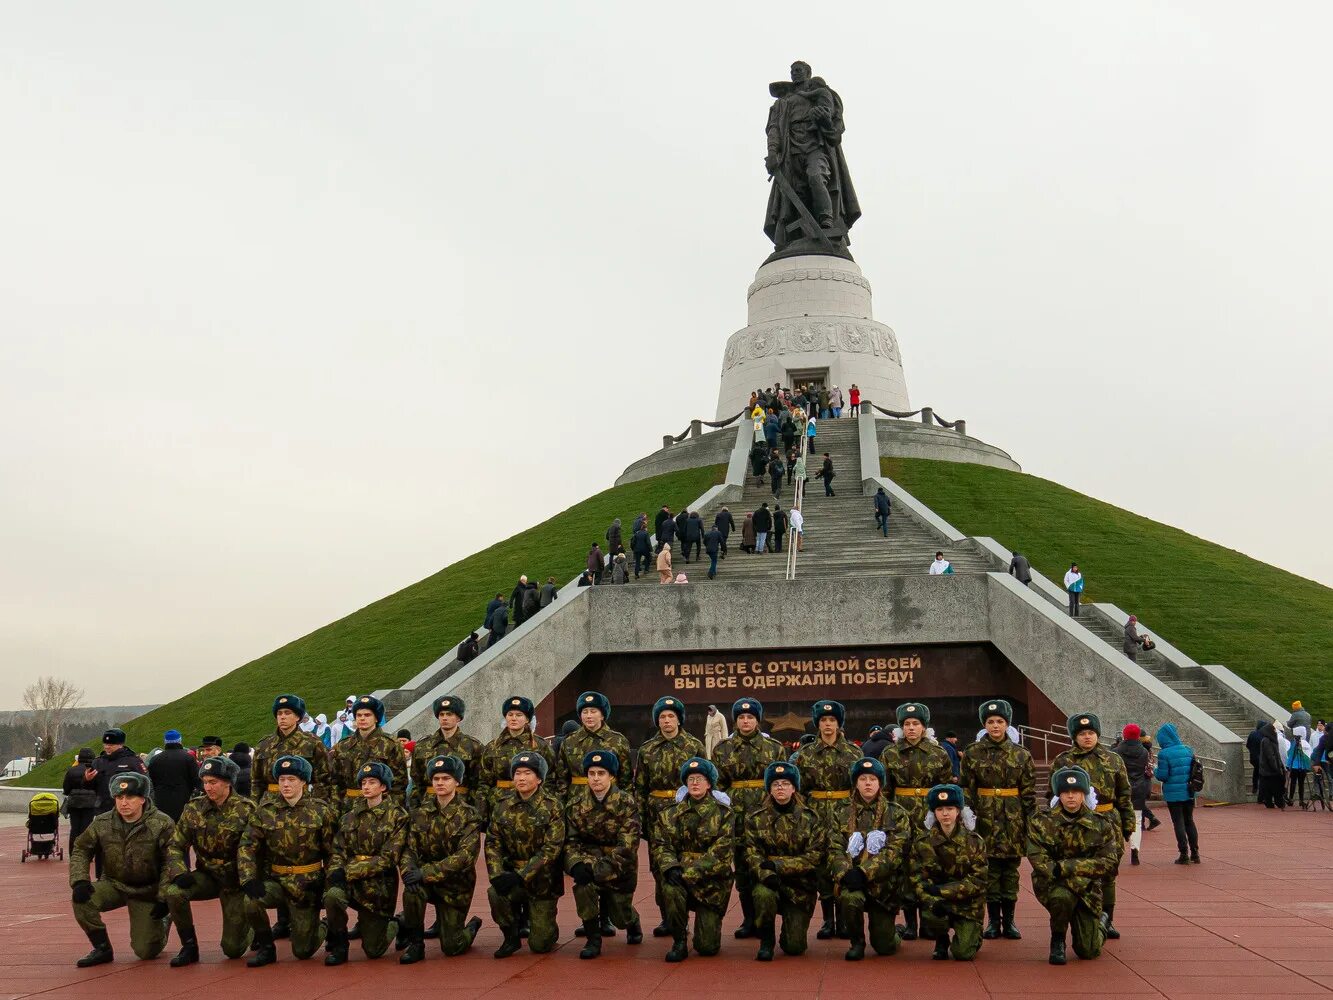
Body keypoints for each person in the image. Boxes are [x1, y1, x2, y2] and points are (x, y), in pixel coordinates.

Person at [239, 754, 339, 966]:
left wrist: (329, 883)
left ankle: (323, 926)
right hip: (277, 880)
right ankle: (267, 948)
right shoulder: (265, 812)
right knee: (251, 901)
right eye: (282, 779)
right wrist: (248, 878)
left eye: (292, 779)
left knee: (303, 951)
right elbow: (247, 846)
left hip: (308, 882)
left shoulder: (320, 811)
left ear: (304, 781)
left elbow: (334, 851)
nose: (285, 784)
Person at [68, 770, 173, 967]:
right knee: (82, 899)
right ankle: (102, 948)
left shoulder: (161, 823)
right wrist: (79, 880)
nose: (123, 802)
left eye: (130, 797)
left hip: (147, 890)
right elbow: (81, 848)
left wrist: (163, 896)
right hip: (114, 884)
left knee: (145, 951)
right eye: (119, 797)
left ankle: (164, 922)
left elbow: (172, 860)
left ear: (143, 799)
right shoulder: (103, 822)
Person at [163, 754, 256, 966]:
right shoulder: (194, 808)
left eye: (213, 782)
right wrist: (179, 872)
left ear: (228, 782)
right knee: (174, 893)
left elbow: (253, 849)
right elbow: (175, 844)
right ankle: (189, 946)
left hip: (235, 881)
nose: (208, 787)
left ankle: (250, 927)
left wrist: (250, 878)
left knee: (232, 950)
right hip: (207, 875)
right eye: (205, 782)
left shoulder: (246, 809)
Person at [1051, 714, 1134, 940]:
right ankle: (1086, 919)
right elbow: (1053, 796)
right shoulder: (1063, 761)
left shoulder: (1113, 759)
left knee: (1108, 873)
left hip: (1108, 820)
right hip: (1076, 825)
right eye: (1081, 734)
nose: (1087, 737)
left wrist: (1128, 825)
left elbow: (1124, 794)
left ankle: (1108, 920)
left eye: (1090, 733)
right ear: (1074, 737)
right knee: (1081, 871)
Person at [1028, 767, 1120, 965]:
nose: (1071, 797)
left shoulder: (1101, 823)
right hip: (1054, 884)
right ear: (1058, 795)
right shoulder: (1042, 822)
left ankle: (1102, 923)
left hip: (1087, 888)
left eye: (1076, 792)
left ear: (1084, 794)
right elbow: (1039, 860)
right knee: (1062, 897)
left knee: (1088, 951)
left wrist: (1068, 867)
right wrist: (1067, 872)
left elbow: (1110, 863)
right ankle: (1058, 940)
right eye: (1066, 792)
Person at [961, 699, 1035, 942]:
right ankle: (993, 921)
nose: (995, 726)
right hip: (984, 817)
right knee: (989, 870)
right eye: (991, 722)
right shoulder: (972, 752)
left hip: (1012, 819)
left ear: (1007, 724)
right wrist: (968, 819)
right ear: (984, 724)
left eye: (1000, 722)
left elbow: (1028, 793)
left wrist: (1030, 822)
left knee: (1010, 871)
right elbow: (966, 788)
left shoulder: (1021, 754)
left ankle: (1010, 920)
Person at [712, 699, 787, 940]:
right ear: (735, 720)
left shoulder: (773, 748)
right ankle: (748, 919)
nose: (746, 721)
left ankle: (765, 918)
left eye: (751, 717)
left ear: (758, 720)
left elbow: (782, 782)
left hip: (765, 815)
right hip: (735, 816)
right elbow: (718, 785)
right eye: (742, 717)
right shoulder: (722, 749)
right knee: (743, 870)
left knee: (765, 865)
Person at [398, 755, 484, 963]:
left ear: (457, 781)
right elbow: (409, 848)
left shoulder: (469, 815)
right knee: (412, 891)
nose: (440, 783)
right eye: (436, 779)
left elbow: (464, 857)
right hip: (427, 882)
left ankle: (472, 925)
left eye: (446, 778)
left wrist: (424, 872)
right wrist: (408, 870)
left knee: (452, 947)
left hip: (455, 885)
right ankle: (415, 943)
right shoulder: (420, 813)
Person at [879, 701, 954, 940]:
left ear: (924, 727)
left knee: (930, 864)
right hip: (901, 815)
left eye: (916, 724)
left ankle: (930, 921)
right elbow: (885, 790)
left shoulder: (938, 752)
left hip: (930, 817)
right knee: (905, 868)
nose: (911, 728)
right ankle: (910, 923)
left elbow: (946, 789)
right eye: (907, 724)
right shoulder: (890, 753)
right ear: (901, 727)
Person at [322, 761, 408, 965]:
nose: (366, 787)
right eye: (363, 783)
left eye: (372, 782)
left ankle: (398, 922)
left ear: (383, 787)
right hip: (350, 882)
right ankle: (340, 945)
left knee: (374, 950)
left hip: (379, 886)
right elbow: (338, 850)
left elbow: (388, 858)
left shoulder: (397, 816)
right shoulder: (349, 817)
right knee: (332, 896)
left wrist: (348, 872)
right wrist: (335, 871)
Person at [636, 697, 706, 940]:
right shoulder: (647, 749)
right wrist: (642, 820)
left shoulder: (693, 745)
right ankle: (668, 918)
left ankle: (685, 917)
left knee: (685, 864)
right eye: (662, 717)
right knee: (659, 868)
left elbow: (705, 782)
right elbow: (640, 789)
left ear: (679, 718)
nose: (667, 721)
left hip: (685, 810)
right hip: (657, 814)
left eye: (671, 716)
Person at [652, 756, 734, 962]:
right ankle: (679, 940)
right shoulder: (669, 814)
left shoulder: (723, 814)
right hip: (678, 876)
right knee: (669, 888)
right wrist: (670, 867)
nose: (695, 783)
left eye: (699, 778)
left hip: (710, 882)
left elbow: (721, 853)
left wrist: (687, 872)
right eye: (690, 779)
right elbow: (661, 844)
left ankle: (707, 926)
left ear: (709, 783)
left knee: (706, 948)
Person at [789, 701, 860, 940]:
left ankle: (844, 921)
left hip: (844, 814)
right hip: (816, 814)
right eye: (823, 721)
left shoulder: (853, 752)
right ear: (817, 724)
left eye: (832, 721)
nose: (828, 725)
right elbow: (799, 790)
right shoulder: (805, 754)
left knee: (844, 862)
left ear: (839, 723)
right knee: (821, 869)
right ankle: (828, 921)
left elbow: (859, 788)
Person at [564, 749, 643, 958]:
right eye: (592, 773)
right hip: (589, 860)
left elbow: (627, 845)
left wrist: (597, 869)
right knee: (582, 887)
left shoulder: (626, 803)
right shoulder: (575, 805)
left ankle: (633, 920)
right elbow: (570, 842)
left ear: (612, 776)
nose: (596, 778)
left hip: (618, 866)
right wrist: (576, 864)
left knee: (620, 919)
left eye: (601, 773)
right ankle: (593, 939)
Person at [486, 751, 565, 958]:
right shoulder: (502, 806)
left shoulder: (552, 806)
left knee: (540, 945)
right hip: (512, 873)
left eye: (528, 773)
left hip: (542, 880)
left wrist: (521, 875)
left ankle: (546, 924)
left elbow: (551, 849)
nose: (521, 778)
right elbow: (493, 842)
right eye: (517, 773)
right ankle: (510, 936)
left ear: (539, 779)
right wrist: (497, 874)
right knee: (495, 893)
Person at [833, 757, 911, 961]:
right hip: (852, 880)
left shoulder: (896, 813)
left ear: (880, 783)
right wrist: (845, 872)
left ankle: (895, 932)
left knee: (884, 947)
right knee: (850, 899)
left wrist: (864, 872)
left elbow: (895, 851)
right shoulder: (841, 812)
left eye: (873, 779)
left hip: (883, 885)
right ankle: (856, 942)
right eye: (863, 779)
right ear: (855, 783)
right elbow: (834, 847)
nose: (868, 783)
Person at [743, 762, 821, 961]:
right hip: (769, 882)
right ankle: (766, 940)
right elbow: (752, 854)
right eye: (776, 784)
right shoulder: (756, 818)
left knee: (794, 948)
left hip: (800, 887)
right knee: (762, 894)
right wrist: (766, 874)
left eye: (785, 783)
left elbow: (813, 857)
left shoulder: (810, 818)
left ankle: (790, 931)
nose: (780, 788)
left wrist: (778, 867)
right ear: (769, 788)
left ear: (794, 788)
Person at [910, 783, 987, 961]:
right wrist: (932, 900)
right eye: (940, 809)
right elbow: (916, 879)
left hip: (967, 905)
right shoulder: (923, 843)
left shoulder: (974, 842)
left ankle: (974, 932)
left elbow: (978, 881)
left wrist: (942, 891)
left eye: (950, 808)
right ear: (933, 813)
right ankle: (941, 939)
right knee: (931, 914)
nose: (945, 814)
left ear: (959, 811)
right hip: (938, 903)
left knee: (963, 953)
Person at [476, 697, 554, 827]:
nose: (513, 718)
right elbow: (483, 782)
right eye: (510, 714)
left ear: (527, 719)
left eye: (519, 715)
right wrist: (482, 813)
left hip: (532, 805)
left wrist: (545, 805)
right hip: (498, 806)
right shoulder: (493, 746)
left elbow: (551, 778)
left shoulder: (540, 746)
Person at [329, 695, 409, 811]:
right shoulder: (343, 745)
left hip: (380, 808)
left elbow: (399, 784)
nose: (362, 718)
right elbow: (335, 782)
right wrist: (336, 808)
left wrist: (390, 811)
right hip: (348, 809)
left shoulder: (390, 744)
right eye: (359, 715)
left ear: (376, 718)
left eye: (367, 715)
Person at [553, 691, 633, 806]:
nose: (589, 716)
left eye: (593, 711)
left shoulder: (618, 741)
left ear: (602, 715)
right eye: (585, 712)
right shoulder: (569, 741)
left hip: (610, 802)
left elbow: (626, 780)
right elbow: (562, 779)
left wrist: (625, 805)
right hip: (577, 804)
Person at [251, 694, 332, 806]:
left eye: (287, 713)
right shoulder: (264, 745)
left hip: (302, 805)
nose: (282, 717)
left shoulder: (312, 743)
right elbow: (256, 782)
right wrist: (255, 808)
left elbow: (324, 780)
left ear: (298, 717)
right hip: (270, 807)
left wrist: (319, 808)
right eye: (279, 713)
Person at [409, 696, 483, 811]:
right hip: (427, 807)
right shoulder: (422, 746)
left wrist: (474, 811)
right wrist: (414, 809)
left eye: (449, 714)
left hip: (461, 807)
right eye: (441, 714)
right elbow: (416, 782)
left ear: (458, 718)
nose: (444, 718)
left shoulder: (472, 746)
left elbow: (478, 783)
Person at [1152, 723, 1201, 864]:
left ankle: (1183, 853)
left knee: (1178, 822)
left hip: (1173, 795)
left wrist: (1155, 770)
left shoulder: (1164, 754)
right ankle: (1195, 853)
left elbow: (1163, 776)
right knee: (1189, 821)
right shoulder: (1187, 750)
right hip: (1189, 791)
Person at [1110, 724, 1151, 865]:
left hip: (1121, 789)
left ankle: (1117, 851)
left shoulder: (1116, 751)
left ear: (1124, 735)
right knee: (1137, 820)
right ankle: (1135, 851)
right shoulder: (1144, 752)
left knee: (1117, 820)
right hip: (1139, 788)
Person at [87, 728, 149, 814]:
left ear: (120, 745)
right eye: (105, 744)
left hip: (126, 809)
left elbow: (145, 784)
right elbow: (90, 788)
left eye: (111, 745)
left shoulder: (133, 761)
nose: (107, 747)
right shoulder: (97, 762)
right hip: (102, 810)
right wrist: (87, 780)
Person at [63, 748, 100, 854]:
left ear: (79, 758)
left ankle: (73, 852)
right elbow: (97, 787)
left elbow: (66, 788)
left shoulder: (71, 770)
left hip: (74, 803)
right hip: (89, 803)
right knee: (86, 828)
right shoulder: (94, 770)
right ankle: (86, 853)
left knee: (74, 829)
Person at [1257, 722, 1285, 809]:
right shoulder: (1267, 741)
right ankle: (1276, 802)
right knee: (1275, 787)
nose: (1275, 731)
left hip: (1268, 770)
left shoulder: (1268, 740)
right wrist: (1276, 767)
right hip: (1270, 770)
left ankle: (1270, 801)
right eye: (1273, 729)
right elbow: (1271, 756)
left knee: (1269, 788)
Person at [1286, 725, 1314, 808]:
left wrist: (1288, 765)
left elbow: (1291, 754)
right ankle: (1301, 800)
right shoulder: (1306, 744)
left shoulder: (1295, 743)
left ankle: (1291, 798)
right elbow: (1308, 755)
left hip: (1295, 766)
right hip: (1303, 767)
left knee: (1293, 783)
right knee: (1301, 784)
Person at [1246, 720, 1265, 796]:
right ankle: (1261, 790)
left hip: (1253, 757)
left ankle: (1255, 787)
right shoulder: (1263, 736)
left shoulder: (1252, 734)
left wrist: (1252, 751)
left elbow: (1248, 745)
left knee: (1256, 771)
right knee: (1261, 774)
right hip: (1261, 758)